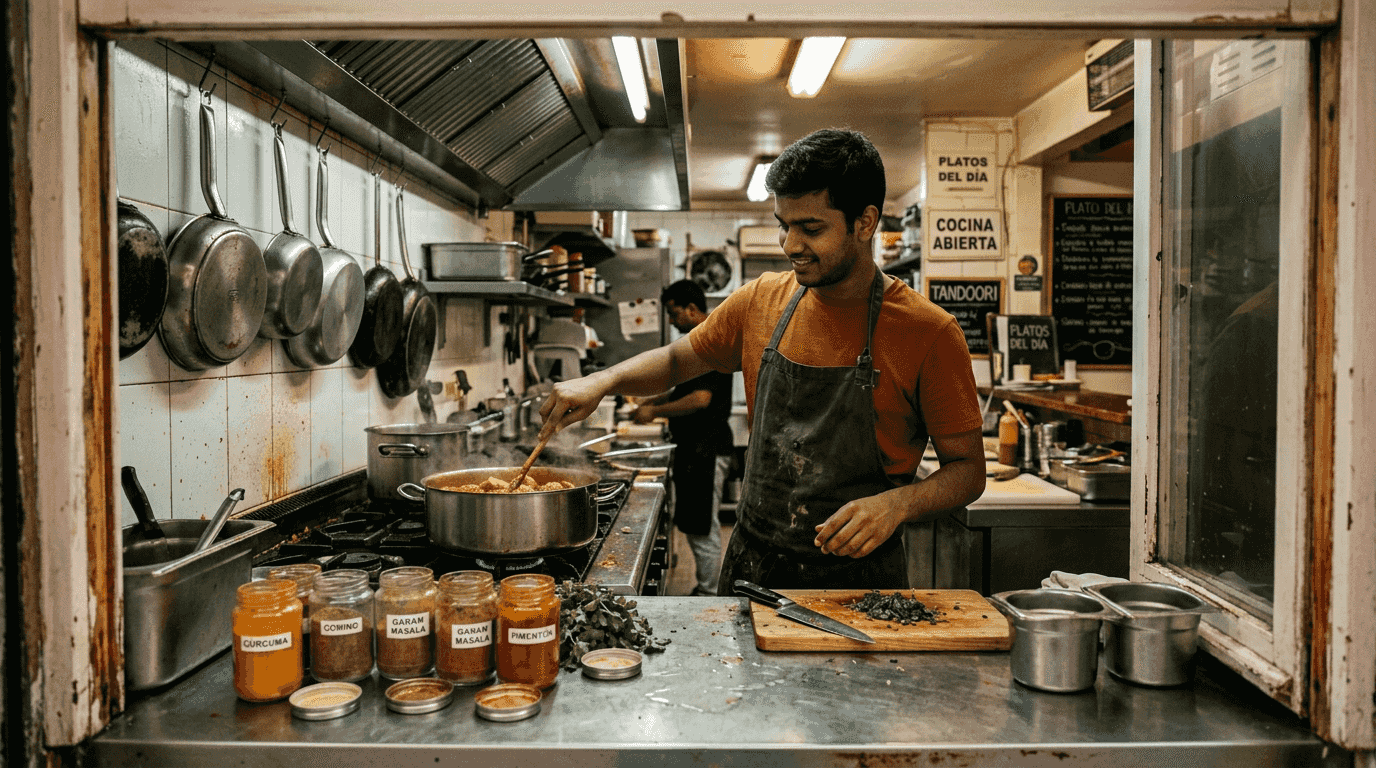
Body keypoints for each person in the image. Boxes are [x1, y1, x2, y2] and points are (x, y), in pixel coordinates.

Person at [540, 128, 986, 593]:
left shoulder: (928, 332)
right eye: (783, 224)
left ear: (865, 222)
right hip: (754, 570)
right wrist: (602, 381)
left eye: (811, 228)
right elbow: (677, 359)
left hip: (857, 584)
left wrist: (898, 504)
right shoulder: (760, 302)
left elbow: (968, 472)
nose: (790, 245)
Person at [628, 280, 735, 596]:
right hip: (697, 448)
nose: (672, 321)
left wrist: (656, 411)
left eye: (674, 314)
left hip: (706, 448)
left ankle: (709, 592)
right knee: (696, 523)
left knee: (702, 525)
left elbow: (700, 399)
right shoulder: (698, 342)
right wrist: (654, 402)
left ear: (692, 309)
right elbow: (686, 390)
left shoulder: (710, 342)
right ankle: (708, 587)